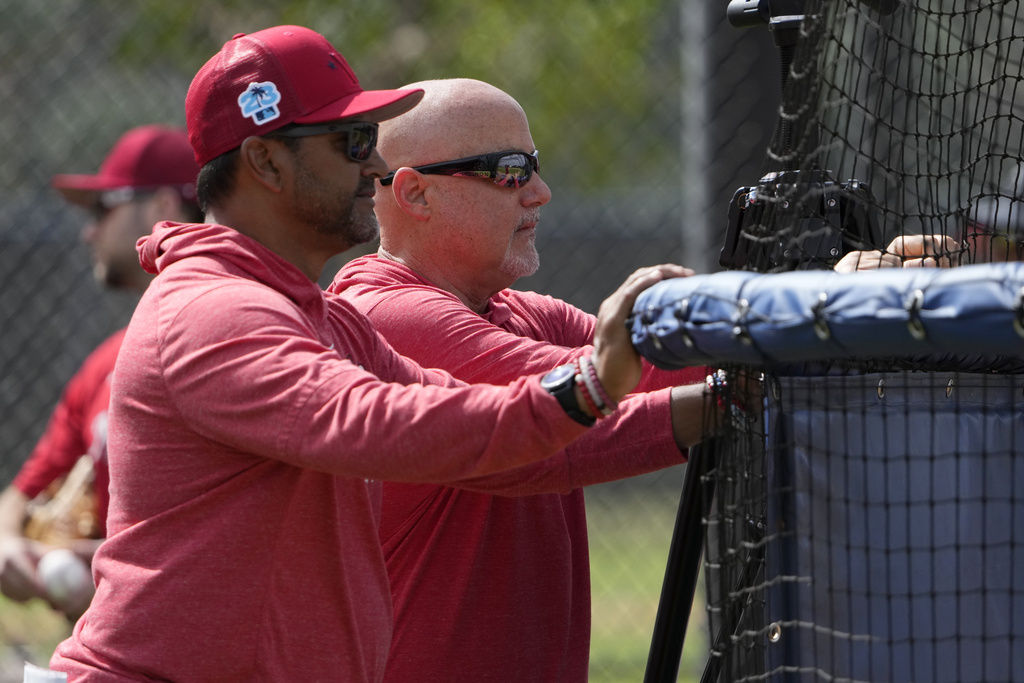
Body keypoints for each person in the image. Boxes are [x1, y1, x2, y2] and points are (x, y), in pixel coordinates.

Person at [47, 26, 692, 681]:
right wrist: (590, 386)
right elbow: (382, 422)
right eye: (352, 142)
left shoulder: (320, 317)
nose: (375, 164)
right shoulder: (214, 310)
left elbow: (450, 404)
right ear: (266, 162)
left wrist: (706, 385)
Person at [330, 78, 713, 681]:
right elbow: (579, 416)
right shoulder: (384, 318)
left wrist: (830, 294)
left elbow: (672, 366)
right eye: (510, 171)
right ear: (415, 193)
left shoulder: (525, 314)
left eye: (534, 165)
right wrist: (732, 397)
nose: (540, 192)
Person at [0, 124, 201, 622]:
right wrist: (8, 542)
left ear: (161, 208)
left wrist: (110, 567)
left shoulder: (239, 343)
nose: (88, 231)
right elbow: (23, 492)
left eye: (102, 210)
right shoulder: (107, 362)